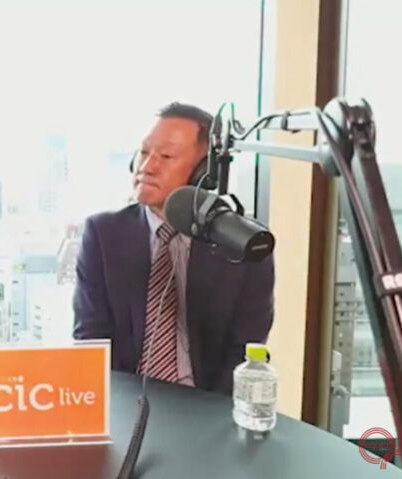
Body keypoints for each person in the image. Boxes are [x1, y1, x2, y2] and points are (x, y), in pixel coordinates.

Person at [72, 102, 274, 395]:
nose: (146, 167)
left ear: (203, 172)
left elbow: (243, 351)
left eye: (166, 156)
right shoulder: (103, 234)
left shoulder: (242, 245)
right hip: (126, 401)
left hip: (207, 407)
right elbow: (91, 341)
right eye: (144, 153)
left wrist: (206, 414)